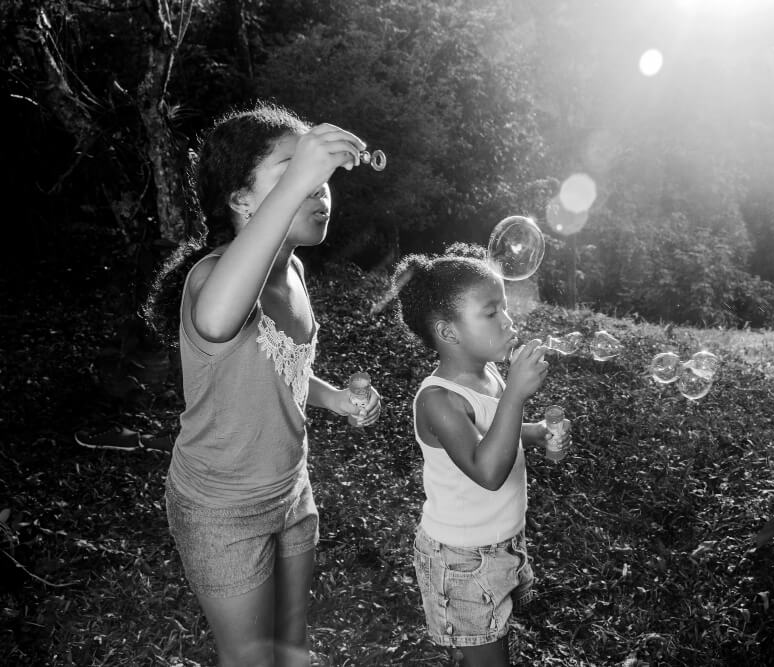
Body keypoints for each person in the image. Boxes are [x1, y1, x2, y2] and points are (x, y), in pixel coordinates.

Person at [143, 101, 381, 667]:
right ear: (242, 199)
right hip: (220, 511)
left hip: (291, 490)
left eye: (320, 176)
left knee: (292, 647)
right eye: (296, 172)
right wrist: (304, 171)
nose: (320, 188)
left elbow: (285, 368)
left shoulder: (293, 271)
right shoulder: (210, 278)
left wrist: (334, 397)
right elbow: (221, 320)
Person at [390, 244, 572, 666]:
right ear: (449, 333)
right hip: (461, 561)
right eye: (491, 313)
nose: (508, 321)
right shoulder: (439, 400)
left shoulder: (488, 374)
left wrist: (539, 434)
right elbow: (487, 469)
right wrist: (516, 395)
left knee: (489, 643)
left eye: (504, 308)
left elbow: (496, 433)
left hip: (502, 541)